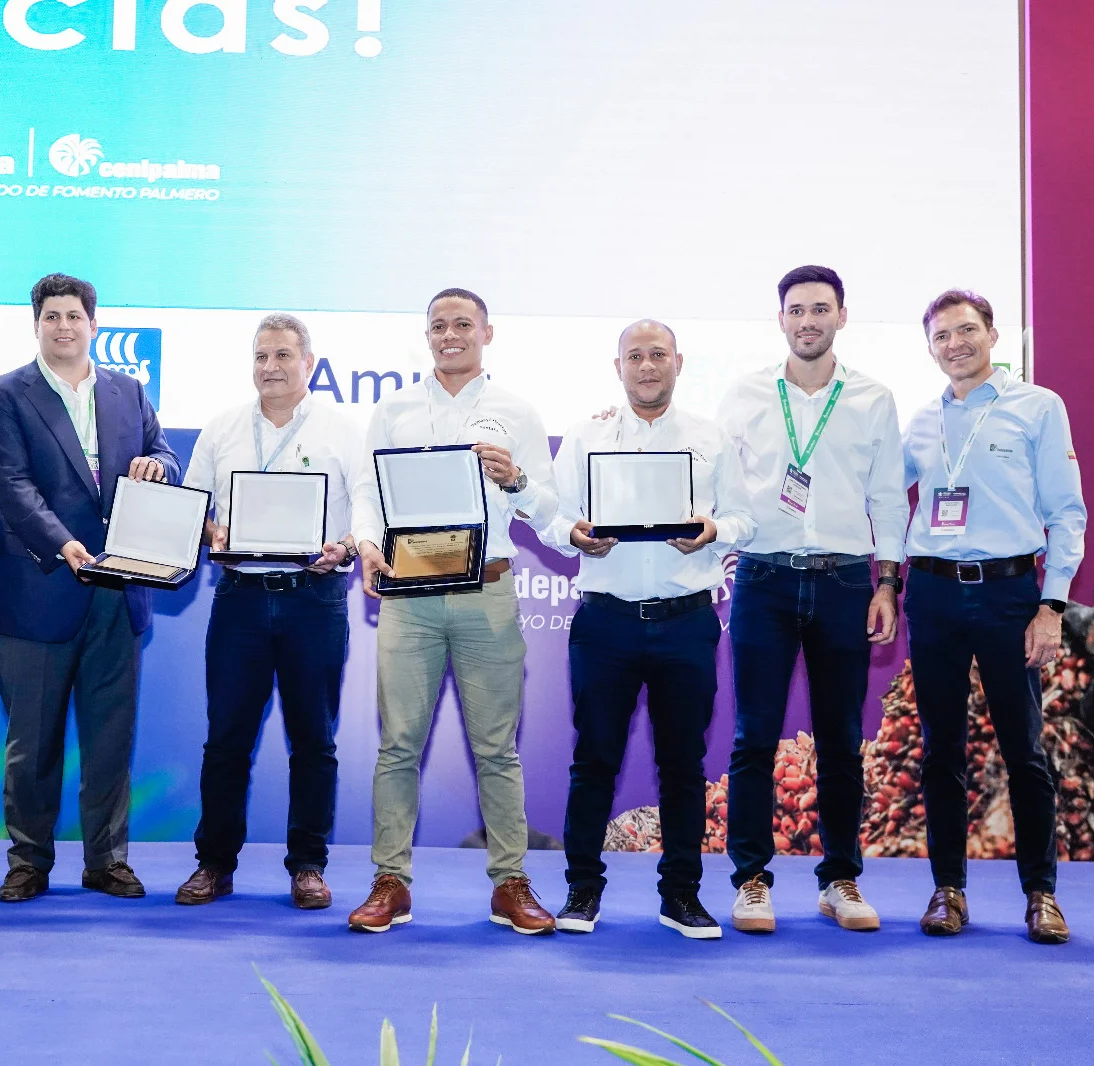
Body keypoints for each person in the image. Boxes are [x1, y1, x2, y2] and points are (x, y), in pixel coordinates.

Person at [346, 287, 560, 935]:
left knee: (497, 749)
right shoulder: (394, 410)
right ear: (427, 336)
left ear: (486, 333)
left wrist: (517, 480)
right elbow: (366, 490)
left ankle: (510, 882)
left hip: (486, 591)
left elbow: (550, 512)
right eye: (438, 325)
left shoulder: (516, 412)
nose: (450, 335)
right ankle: (391, 881)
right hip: (410, 594)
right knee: (397, 746)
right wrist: (366, 543)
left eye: (462, 324)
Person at [540, 319, 754, 938]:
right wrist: (575, 534)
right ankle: (582, 891)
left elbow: (745, 519)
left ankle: (681, 896)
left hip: (686, 622)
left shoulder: (711, 438)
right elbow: (552, 518)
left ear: (678, 363)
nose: (647, 365)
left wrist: (714, 531)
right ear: (619, 367)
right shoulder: (585, 436)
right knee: (593, 761)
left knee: (683, 766)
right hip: (605, 621)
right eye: (634, 356)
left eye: (658, 354)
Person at [0, 273, 180, 903]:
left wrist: (159, 466)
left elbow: (165, 454)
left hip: (119, 592)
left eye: (74, 316)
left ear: (94, 324)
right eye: (52, 317)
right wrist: (62, 542)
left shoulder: (128, 390)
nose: (64, 327)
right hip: (40, 585)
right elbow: (11, 485)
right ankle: (28, 862)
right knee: (32, 744)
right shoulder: (3, 394)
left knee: (110, 739)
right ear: (36, 324)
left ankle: (107, 860)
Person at [717, 265, 906, 934]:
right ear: (781, 320)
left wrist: (888, 584)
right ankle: (751, 880)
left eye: (820, 309)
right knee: (753, 738)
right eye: (796, 310)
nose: (808, 321)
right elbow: (722, 488)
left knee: (841, 740)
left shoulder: (873, 398)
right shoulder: (744, 395)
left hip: (845, 581)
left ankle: (840, 879)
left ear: (841, 317)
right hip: (764, 579)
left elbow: (888, 497)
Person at [902, 289, 1086, 944]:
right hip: (932, 593)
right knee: (941, 750)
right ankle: (947, 891)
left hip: (1010, 594)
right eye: (941, 336)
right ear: (930, 348)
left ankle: (1041, 894)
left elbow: (1067, 513)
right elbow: (877, 493)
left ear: (993, 335)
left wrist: (1052, 605)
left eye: (966, 330)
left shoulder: (1038, 407)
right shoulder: (920, 422)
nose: (955, 344)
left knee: (1023, 750)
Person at [173, 314, 364, 910]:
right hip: (240, 600)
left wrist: (347, 546)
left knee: (314, 741)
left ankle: (308, 865)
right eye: (261, 356)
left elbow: (367, 509)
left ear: (309, 363)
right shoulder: (222, 428)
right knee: (226, 740)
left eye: (283, 355)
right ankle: (214, 864)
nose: (270, 367)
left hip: (315, 598)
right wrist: (212, 530)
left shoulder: (343, 431)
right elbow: (194, 507)